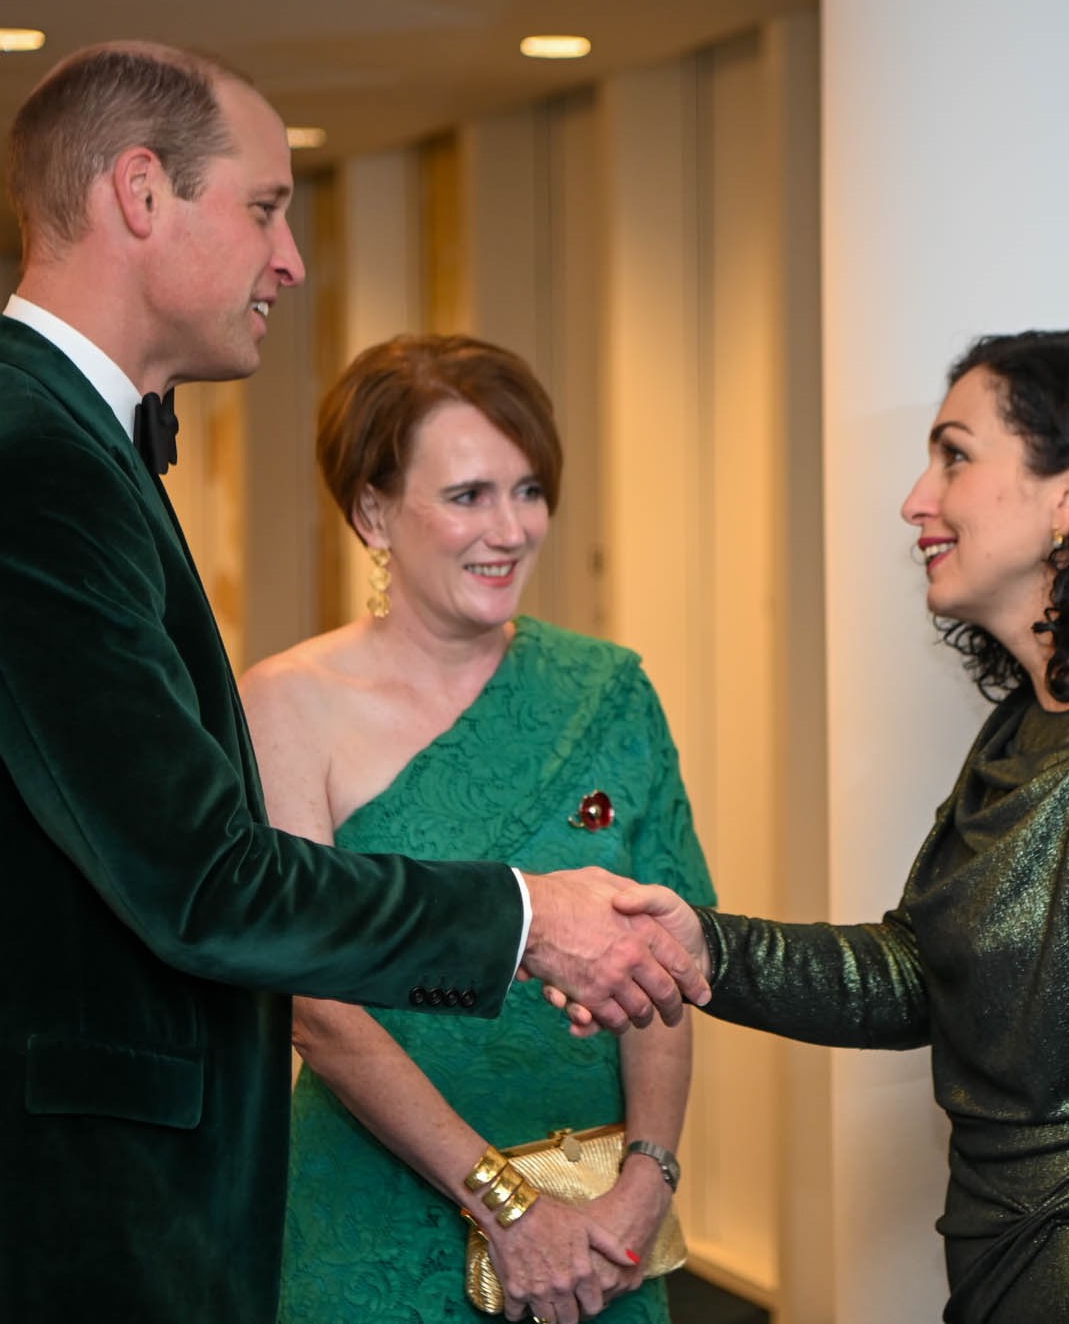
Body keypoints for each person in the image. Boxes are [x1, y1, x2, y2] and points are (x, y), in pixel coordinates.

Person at [0, 43, 705, 1324]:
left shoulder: (66, 458)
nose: (289, 260)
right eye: (264, 206)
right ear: (140, 193)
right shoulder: (28, 479)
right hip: (38, 1228)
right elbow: (203, 882)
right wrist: (527, 916)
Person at [596, 330, 1069, 1322]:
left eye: (954, 453)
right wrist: (700, 945)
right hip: (1017, 1273)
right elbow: (918, 971)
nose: (914, 499)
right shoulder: (1034, 720)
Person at [239, 334, 714, 1324]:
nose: (510, 528)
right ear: (373, 511)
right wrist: (503, 1201)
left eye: (528, 488)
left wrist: (646, 1175)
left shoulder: (608, 692)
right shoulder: (288, 705)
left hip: (599, 1234)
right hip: (376, 1224)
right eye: (467, 495)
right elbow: (311, 998)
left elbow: (669, 955)